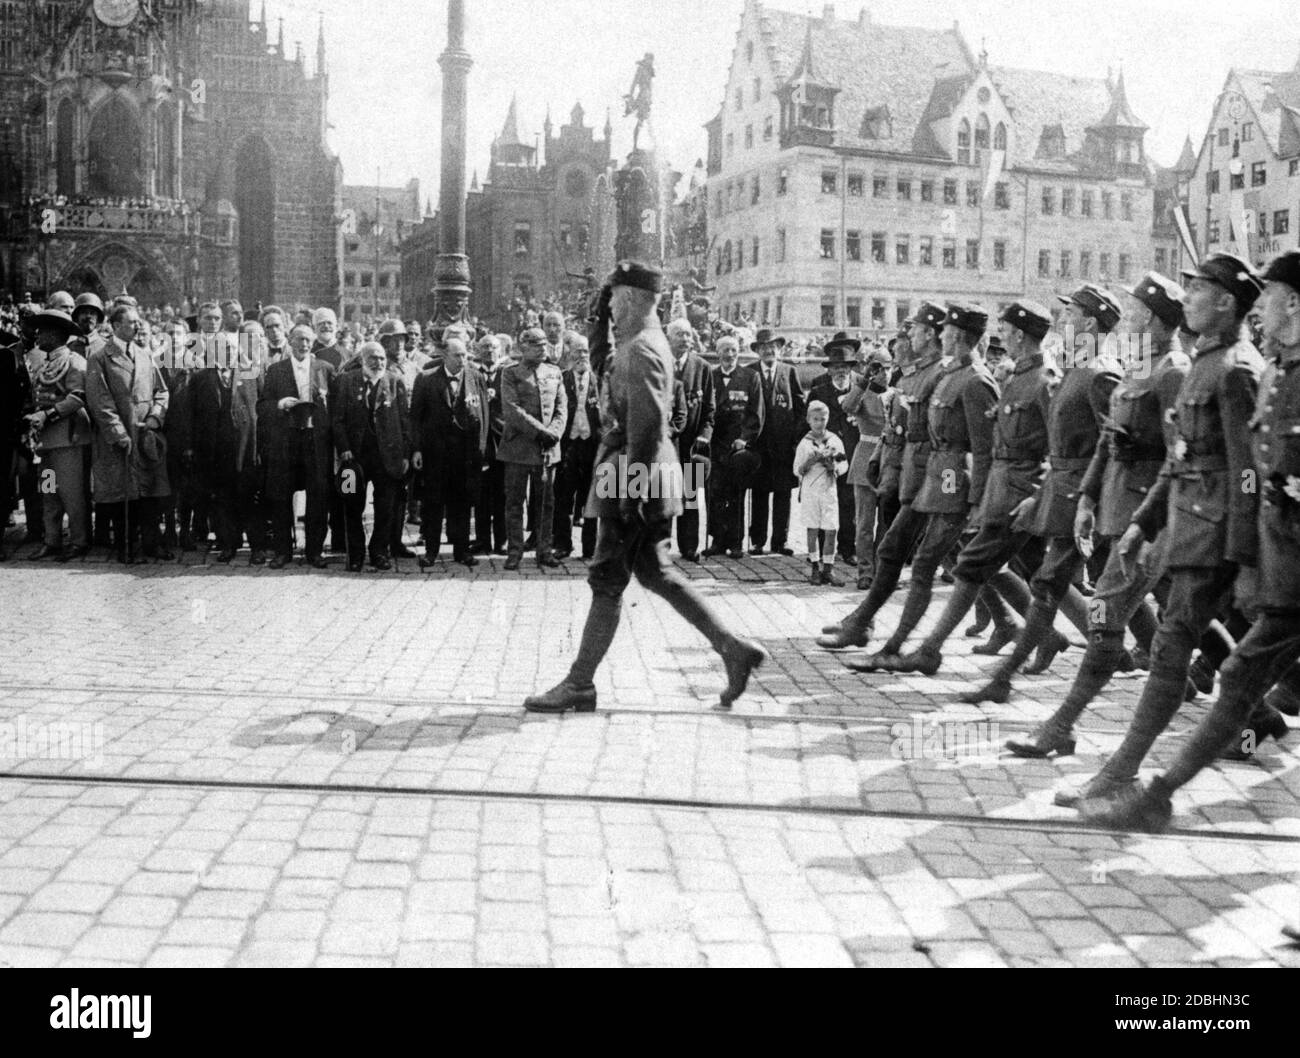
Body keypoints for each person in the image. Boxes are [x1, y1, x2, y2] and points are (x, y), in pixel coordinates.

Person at [1063, 254, 1269, 811]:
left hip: (1215, 538)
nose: (1189, 298)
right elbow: (1179, 460)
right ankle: (1255, 726)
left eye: (1198, 289)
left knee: (1174, 652)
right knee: (1194, 653)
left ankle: (1121, 776)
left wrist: (1245, 557)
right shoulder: (1205, 362)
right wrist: (1141, 525)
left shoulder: (1236, 371)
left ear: (1227, 302)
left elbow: (1248, 472)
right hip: (1186, 530)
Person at [523, 261, 767, 714]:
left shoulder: (642, 350)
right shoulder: (639, 344)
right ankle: (732, 647)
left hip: (634, 474)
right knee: (654, 571)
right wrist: (597, 317)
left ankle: (579, 683)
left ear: (633, 299)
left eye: (614, 301)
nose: (611, 309)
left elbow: (649, 427)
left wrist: (632, 493)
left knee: (606, 577)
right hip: (644, 473)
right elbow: (603, 365)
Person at [1008, 274, 1190, 757]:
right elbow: (1109, 443)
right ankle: (1260, 719)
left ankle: (1062, 727)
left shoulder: (1172, 372)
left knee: (1109, 619)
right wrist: (1088, 500)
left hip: (1148, 521)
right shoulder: (1139, 368)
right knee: (1179, 624)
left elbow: (1179, 459)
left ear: (1151, 319)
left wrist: (1144, 524)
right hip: (1118, 511)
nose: (1124, 321)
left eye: (1131, 313)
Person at [817, 302, 951, 650]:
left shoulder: (943, 374)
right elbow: (897, 428)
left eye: (911, 332)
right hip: (910, 475)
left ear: (930, 335)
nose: (904, 338)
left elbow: (955, 439)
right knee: (897, 551)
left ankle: (1013, 624)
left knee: (970, 561)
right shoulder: (912, 375)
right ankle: (866, 624)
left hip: (936, 481)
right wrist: (881, 459)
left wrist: (952, 488)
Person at [85, 304, 171, 563]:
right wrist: (119, 433)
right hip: (118, 439)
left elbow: (162, 391)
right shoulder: (99, 358)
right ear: (115, 326)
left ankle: (152, 543)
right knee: (123, 495)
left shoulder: (144, 355)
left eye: (138, 322)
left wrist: (156, 415)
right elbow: (100, 401)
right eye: (132, 322)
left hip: (146, 437)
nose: (138, 326)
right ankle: (126, 547)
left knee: (150, 493)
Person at [258, 324, 335, 570]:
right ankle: (283, 551)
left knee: (318, 497)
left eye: (308, 340)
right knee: (281, 497)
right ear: (290, 341)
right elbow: (262, 406)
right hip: (286, 441)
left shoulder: (325, 369)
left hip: (316, 441)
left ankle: (314, 551)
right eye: (299, 340)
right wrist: (280, 403)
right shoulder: (276, 370)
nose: (303, 344)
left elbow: (335, 408)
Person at [411, 336, 489, 568]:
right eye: (457, 355)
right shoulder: (426, 379)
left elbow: (483, 415)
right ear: (444, 355)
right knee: (433, 503)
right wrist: (416, 449)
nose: (462, 359)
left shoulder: (475, 377)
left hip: (465, 455)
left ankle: (461, 550)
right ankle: (431, 551)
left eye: (465, 355)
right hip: (436, 454)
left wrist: (481, 451)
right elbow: (415, 417)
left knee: (462, 504)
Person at [333, 341, 410, 572]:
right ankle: (355, 554)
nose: (378, 362)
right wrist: (343, 447)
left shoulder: (395, 381)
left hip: (387, 456)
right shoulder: (347, 381)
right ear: (362, 359)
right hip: (353, 458)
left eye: (382, 358)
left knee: (386, 506)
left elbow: (405, 421)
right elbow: (337, 419)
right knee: (351, 503)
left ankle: (379, 551)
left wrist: (405, 453)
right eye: (373, 358)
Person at [186, 340, 264, 565]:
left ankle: (257, 547)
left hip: (246, 447)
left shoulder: (251, 375)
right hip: (216, 450)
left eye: (231, 349)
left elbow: (261, 410)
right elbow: (192, 415)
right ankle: (228, 544)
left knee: (249, 498)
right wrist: (192, 446)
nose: (227, 353)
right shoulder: (201, 378)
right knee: (222, 498)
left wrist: (261, 446)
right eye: (221, 350)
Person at [24, 309, 91, 560]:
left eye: (44, 330)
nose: (38, 335)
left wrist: (47, 415)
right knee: (49, 491)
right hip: (47, 443)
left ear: (57, 334)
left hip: (68, 439)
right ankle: (52, 540)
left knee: (72, 493)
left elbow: (78, 398)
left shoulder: (75, 362)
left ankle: (79, 541)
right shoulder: (45, 363)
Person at [498, 327, 567, 570]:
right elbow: (512, 409)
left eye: (544, 344)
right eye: (536, 344)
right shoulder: (510, 373)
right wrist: (541, 432)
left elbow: (561, 407)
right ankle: (515, 551)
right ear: (523, 347)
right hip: (518, 448)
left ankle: (544, 550)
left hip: (547, 450)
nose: (542, 348)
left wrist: (556, 433)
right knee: (515, 501)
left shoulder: (554, 372)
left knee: (546, 503)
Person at [809, 334, 866, 569]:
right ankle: (823, 548)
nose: (841, 371)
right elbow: (809, 425)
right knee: (826, 501)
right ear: (829, 370)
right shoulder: (819, 391)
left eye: (845, 367)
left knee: (850, 502)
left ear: (851, 368)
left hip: (854, 454)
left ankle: (848, 548)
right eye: (836, 367)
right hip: (827, 456)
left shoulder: (862, 388)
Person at [704, 335, 762, 558]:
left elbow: (756, 413)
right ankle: (717, 539)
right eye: (725, 350)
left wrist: (745, 439)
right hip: (715, 444)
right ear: (718, 353)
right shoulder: (709, 375)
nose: (730, 355)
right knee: (714, 493)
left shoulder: (750, 376)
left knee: (737, 493)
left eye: (734, 350)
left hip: (738, 446)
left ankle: (736, 541)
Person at [749, 327, 804, 556]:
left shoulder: (789, 372)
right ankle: (757, 541)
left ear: (779, 349)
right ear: (758, 351)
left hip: (784, 446)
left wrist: (796, 439)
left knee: (783, 494)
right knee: (759, 493)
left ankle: (780, 541)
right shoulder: (750, 372)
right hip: (759, 446)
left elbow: (800, 407)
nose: (768, 350)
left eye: (773, 346)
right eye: (763, 347)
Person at [665, 319, 714, 562]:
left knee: (691, 496)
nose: (685, 339)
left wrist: (704, 437)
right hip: (666, 444)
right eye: (679, 334)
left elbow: (709, 411)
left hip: (692, 444)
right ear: (668, 338)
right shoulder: (660, 364)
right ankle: (661, 548)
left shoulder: (702, 367)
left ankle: (689, 546)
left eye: (688, 334)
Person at [553, 339, 601, 560]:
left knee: (593, 496)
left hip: (593, 446)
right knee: (564, 495)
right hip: (568, 445)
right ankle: (563, 543)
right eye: (577, 351)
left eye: (585, 351)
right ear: (569, 354)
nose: (582, 356)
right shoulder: (560, 379)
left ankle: (590, 547)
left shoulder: (601, 381)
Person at [794, 400, 847, 585]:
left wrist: (833, 466)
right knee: (813, 528)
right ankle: (815, 567)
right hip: (810, 490)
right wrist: (809, 462)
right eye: (815, 419)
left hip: (829, 489)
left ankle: (829, 569)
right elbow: (796, 469)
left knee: (831, 528)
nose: (819, 423)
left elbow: (844, 464)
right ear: (809, 420)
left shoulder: (834, 440)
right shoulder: (804, 443)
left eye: (823, 419)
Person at [472, 335, 507, 554]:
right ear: (478, 350)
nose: (490, 351)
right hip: (480, 442)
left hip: (503, 440)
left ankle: (501, 540)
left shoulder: (508, 373)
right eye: (485, 347)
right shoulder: (472, 374)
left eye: (494, 347)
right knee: (481, 494)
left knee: (502, 494)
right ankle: (482, 539)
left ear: (500, 349)